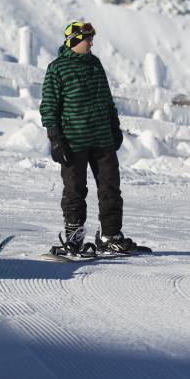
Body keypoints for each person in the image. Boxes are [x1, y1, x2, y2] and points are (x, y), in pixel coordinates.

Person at [39, 20, 140, 254]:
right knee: (75, 190)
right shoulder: (57, 68)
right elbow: (49, 107)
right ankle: (74, 238)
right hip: (73, 141)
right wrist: (55, 138)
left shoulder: (95, 64)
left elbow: (106, 99)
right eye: (87, 39)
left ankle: (110, 235)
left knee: (110, 188)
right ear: (74, 40)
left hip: (102, 139)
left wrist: (114, 127)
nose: (91, 42)